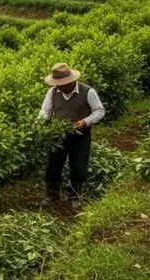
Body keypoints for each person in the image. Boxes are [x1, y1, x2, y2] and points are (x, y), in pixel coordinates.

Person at [39, 63, 105, 210]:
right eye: (57, 84)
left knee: (78, 167)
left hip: (80, 136)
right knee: (53, 166)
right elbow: (45, 111)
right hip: (58, 137)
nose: (60, 87)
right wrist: (40, 123)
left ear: (71, 81)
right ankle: (52, 195)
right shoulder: (52, 92)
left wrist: (85, 122)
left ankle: (74, 196)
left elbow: (99, 111)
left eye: (62, 84)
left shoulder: (87, 91)